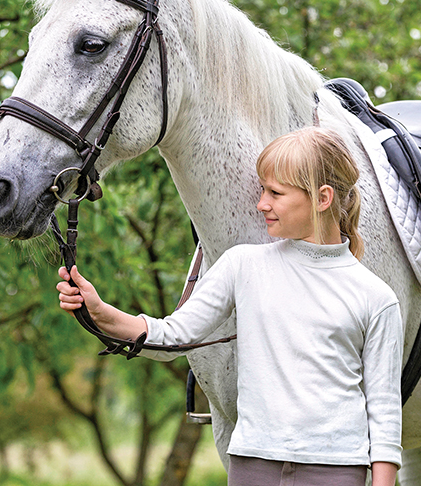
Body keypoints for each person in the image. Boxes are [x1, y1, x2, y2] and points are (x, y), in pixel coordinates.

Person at [57, 126, 403, 486]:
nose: (261, 203)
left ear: (322, 197)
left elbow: (384, 412)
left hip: (336, 471)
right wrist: (99, 311)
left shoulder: (374, 297)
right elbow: (174, 337)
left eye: (275, 193)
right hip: (253, 466)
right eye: (262, 190)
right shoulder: (243, 266)